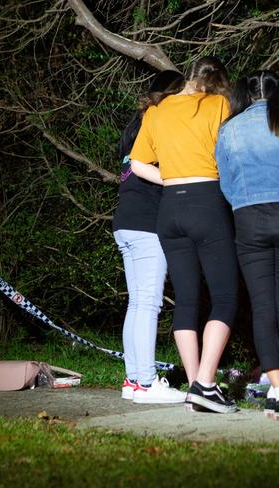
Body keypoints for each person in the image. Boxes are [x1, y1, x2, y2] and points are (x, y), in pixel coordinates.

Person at [129, 56, 239, 414]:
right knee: (224, 296)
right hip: (207, 201)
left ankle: (195, 388)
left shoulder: (157, 111)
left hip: (169, 209)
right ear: (216, 82)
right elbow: (231, 155)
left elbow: (137, 164)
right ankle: (206, 382)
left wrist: (173, 180)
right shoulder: (220, 104)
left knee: (187, 300)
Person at [216, 70, 279, 421]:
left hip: (249, 219)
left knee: (263, 307)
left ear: (243, 94)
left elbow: (225, 183)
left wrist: (245, 202)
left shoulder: (229, 129)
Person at [112, 70, 187, 404]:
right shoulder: (161, 122)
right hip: (145, 225)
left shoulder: (136, 125)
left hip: (125, 222)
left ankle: (133, 380)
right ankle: (145, 383)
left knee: (137, 302)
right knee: (148, 303)